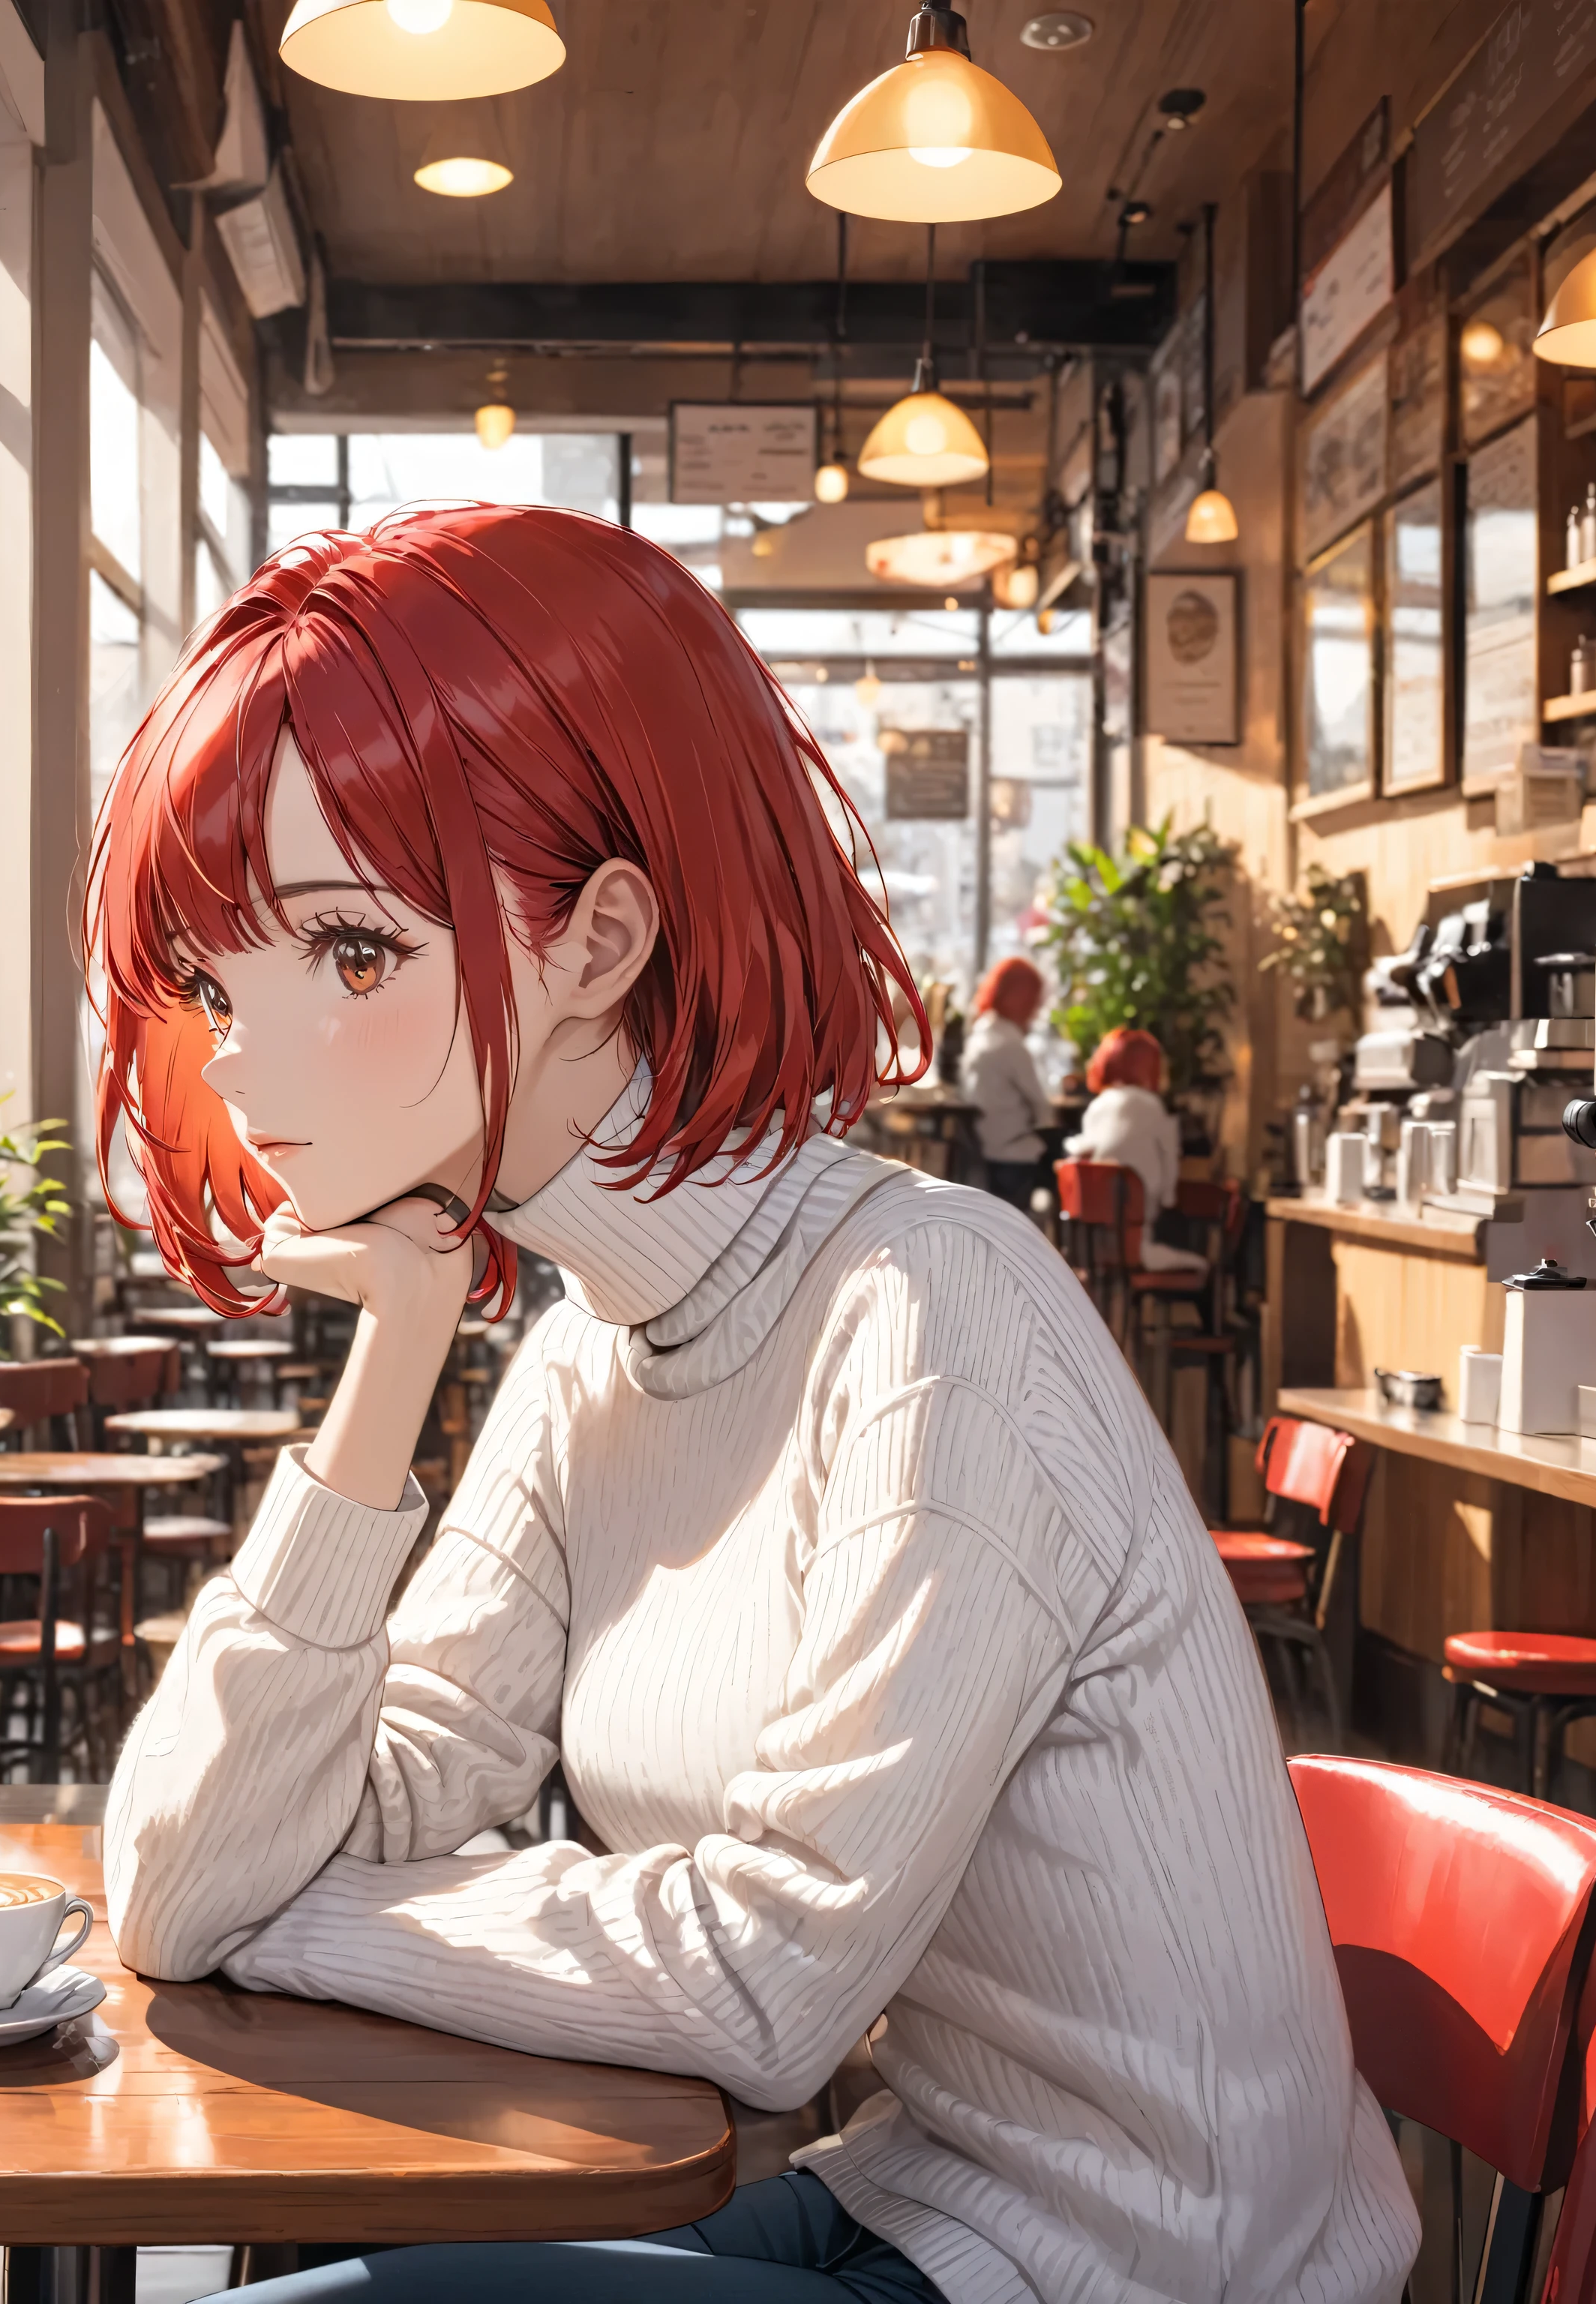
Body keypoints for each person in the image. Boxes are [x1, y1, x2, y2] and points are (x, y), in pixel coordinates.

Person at [89, 507, 1418, 2304]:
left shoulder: (932, 1310)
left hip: (1148, 2270)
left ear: (604, 935)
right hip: (917, 2194)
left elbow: (766, 1979)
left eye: (346, 952)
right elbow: (196, 1878)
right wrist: (393, 1349)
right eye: (210, 975)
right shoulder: (582, 1349)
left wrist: (298, 1916)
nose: (246, 1057)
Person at [1065, 1026, 1208, 1276]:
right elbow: (1169, 1179)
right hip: (1139, 1237)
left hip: (1094, 1245)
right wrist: (1168, 1200)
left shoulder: (1097, 1107)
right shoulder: (1153, 1106)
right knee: (1201, 1249)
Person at [958, 956, 1051, 1216]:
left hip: (984, 1151)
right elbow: (1041, 1107)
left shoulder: (980, 1033)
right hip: (1015, 1156)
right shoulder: (1011, 1045)